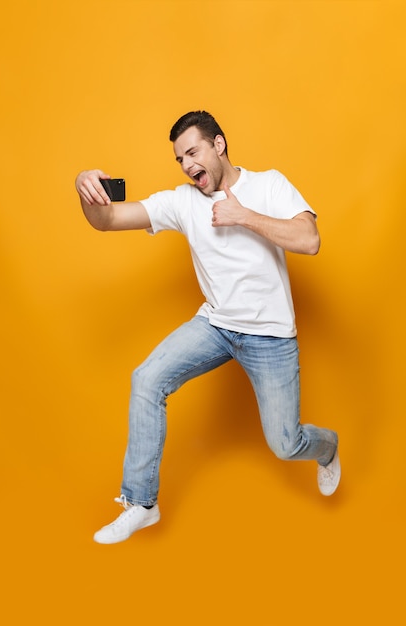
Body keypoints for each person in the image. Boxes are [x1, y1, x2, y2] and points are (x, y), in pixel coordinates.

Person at [75, 110, 340, 545]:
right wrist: (85, 189)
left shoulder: (269, 184)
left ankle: (326, 448)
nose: (186, 165)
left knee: (285, 444)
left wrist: (242, 216)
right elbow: (107, 221)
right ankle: (142, 503)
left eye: (192, 152)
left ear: (218, 145)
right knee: (146, 379)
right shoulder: (181, 201)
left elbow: (309, 241)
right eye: (179, 159)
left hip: (270, 336)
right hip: (216, 325)